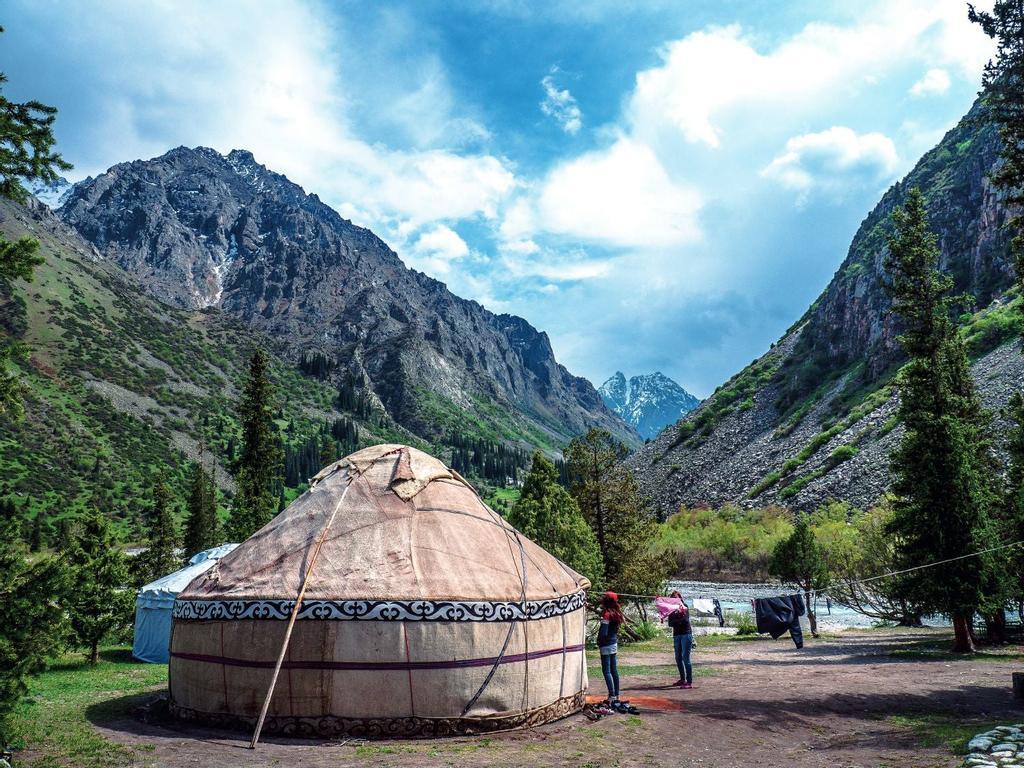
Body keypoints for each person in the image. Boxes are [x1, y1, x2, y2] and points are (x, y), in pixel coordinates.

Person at [597, 591, 624, 708]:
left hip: (606, 644)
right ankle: (616, 695)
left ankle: (611, 695)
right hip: (613, 643)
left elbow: (603, 633)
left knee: (606, 671)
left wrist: (599, 641)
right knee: (614, 670)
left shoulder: (607, 614)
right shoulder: (617, 613)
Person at [667, 590, 693, 688]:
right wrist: (679, 620)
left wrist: (676, 620)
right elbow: (670, 623)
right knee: (678, 658)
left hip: (686, 634)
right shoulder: (670, 609)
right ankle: (683, 679)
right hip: (677, 635)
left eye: (676, 598)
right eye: (673, 598)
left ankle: (689, 682)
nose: (675, 600)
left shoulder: (684, 606)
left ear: (680, 598)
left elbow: (685, 620)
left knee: (686, 658)